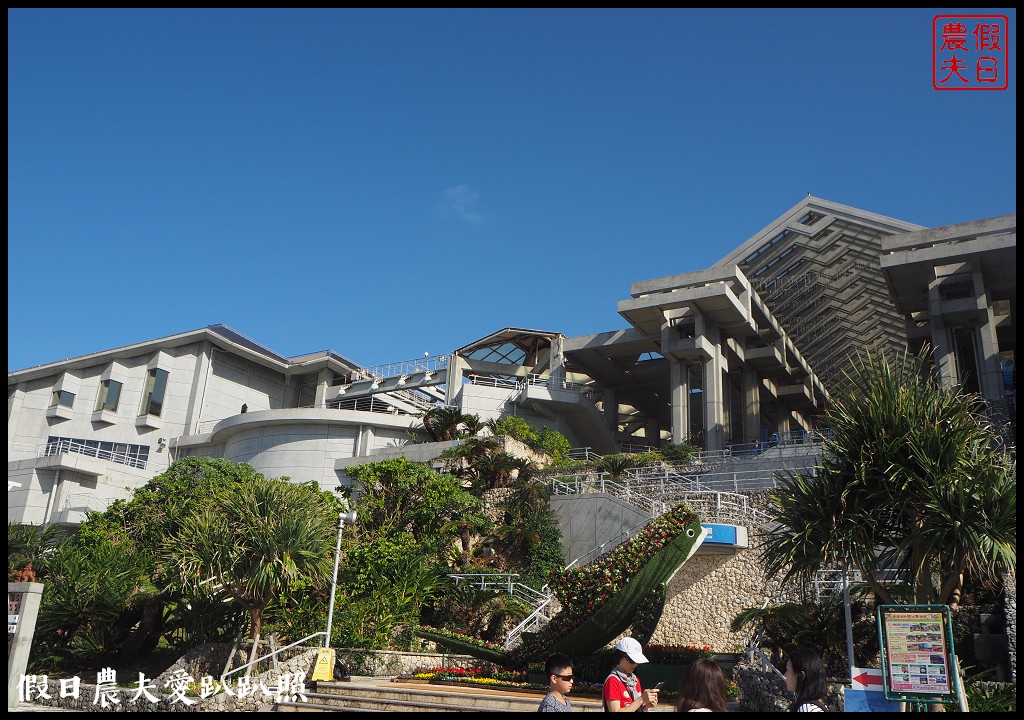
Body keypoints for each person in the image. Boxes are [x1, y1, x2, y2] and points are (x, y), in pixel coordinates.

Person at [603, 637, 659, 712]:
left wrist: (645, 707)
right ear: (619, 657)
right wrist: (641, 699)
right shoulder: (613, 681)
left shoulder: (634, 680)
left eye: (637, 661)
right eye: (631, 660)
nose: (635, 665)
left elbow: (634, 708)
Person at [784, 647, 828, 712]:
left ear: (801, 675)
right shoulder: (819, 706)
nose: (785, 674)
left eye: (787, 669)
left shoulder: (806, 709)